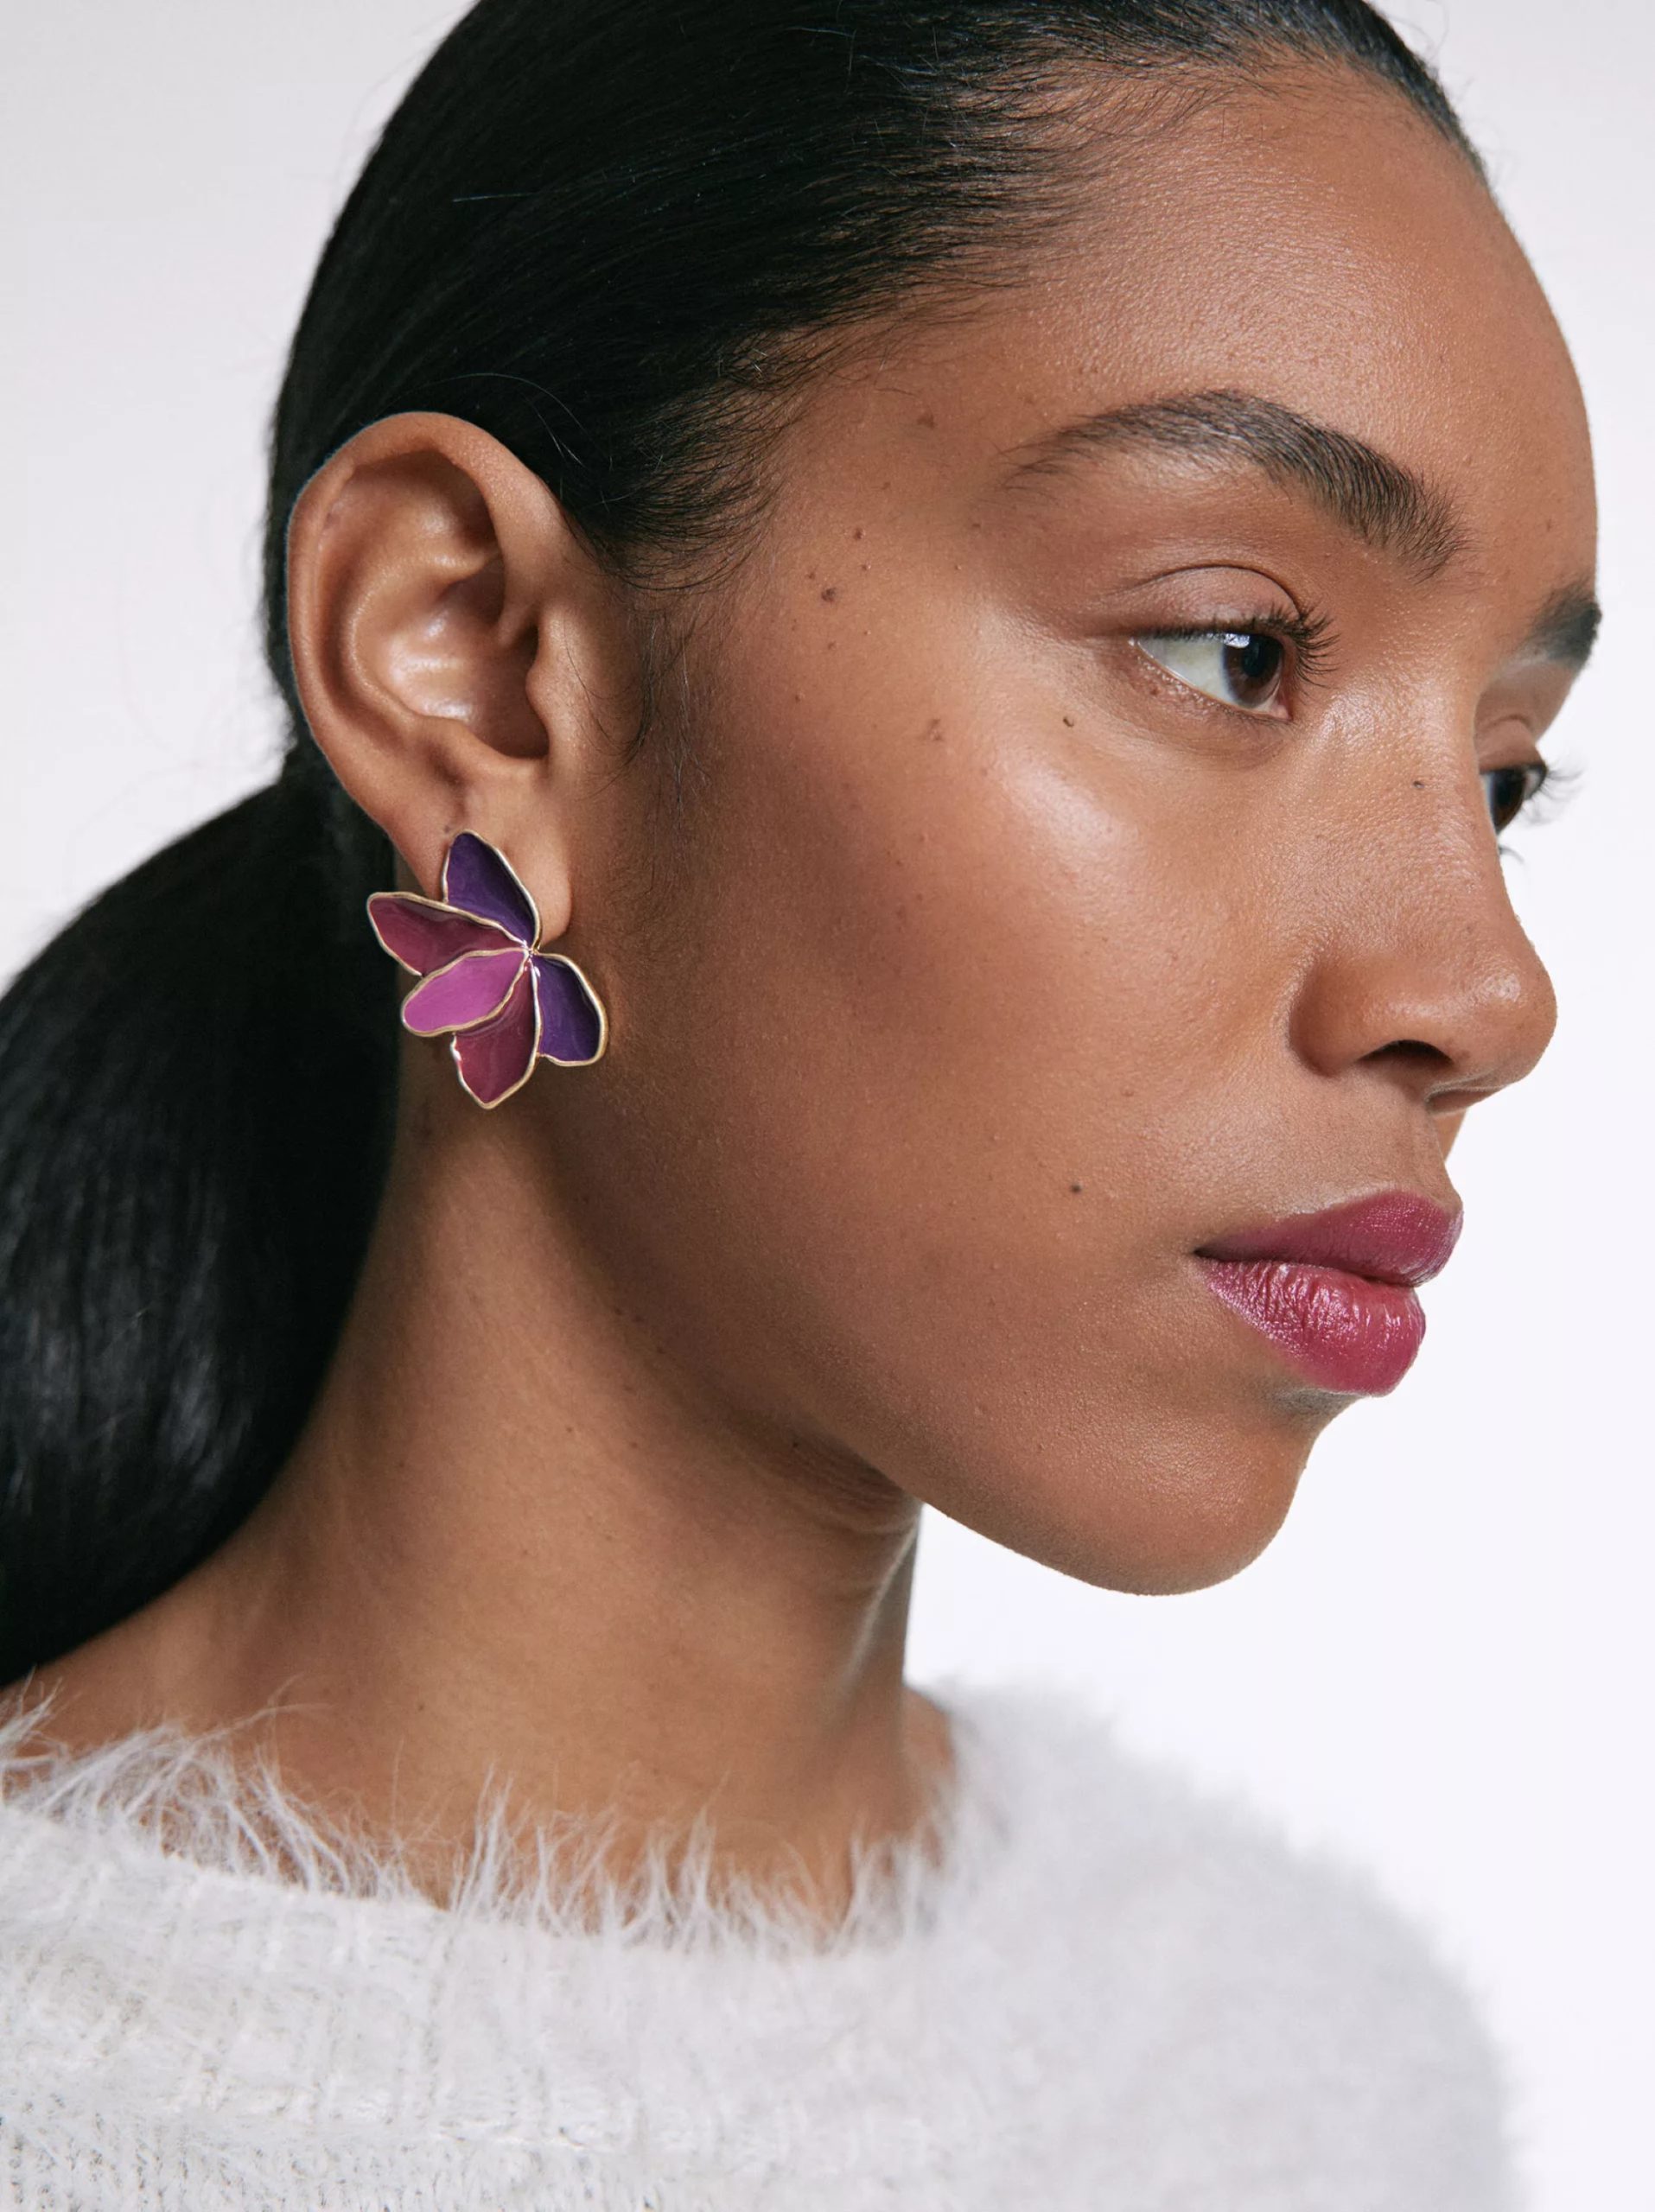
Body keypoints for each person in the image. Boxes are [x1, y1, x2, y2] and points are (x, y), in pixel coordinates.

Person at [0, 1, 1596, 2204]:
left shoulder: (1328, 2096)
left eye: (1501, 775)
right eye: (1232, 648)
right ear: (473, 664)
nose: (1485, 993)